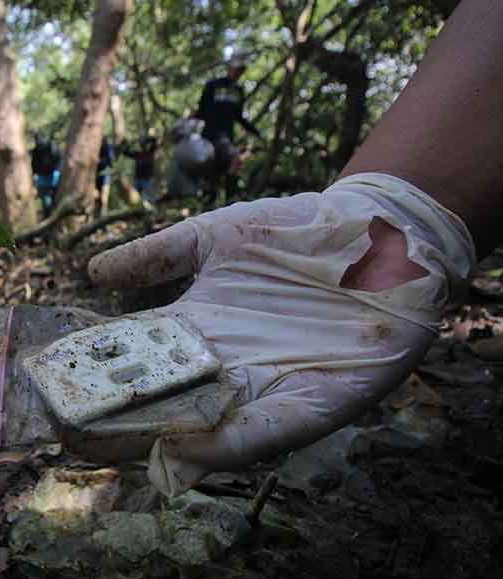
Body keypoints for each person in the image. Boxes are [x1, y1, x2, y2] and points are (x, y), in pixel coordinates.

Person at [87, 0, 499, 497]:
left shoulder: (235, 90)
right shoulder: (216, 87)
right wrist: (403, 208)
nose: (238, 72)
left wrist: (409, 214)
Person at [193, 55, 260, 204]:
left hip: (227, 137)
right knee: (233, 160)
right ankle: (225, 201)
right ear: (229, 67)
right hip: (210, 136)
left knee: (220, 171)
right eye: (235, 68)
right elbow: (201, 110)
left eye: (240, 70)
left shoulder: (238, 91)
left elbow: (239, 117)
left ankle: (226, 203)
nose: (237, 72)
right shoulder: (213, 85)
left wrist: (256, 132)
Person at [121, 129, 159, 202]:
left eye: (144, 142)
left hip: (147, 180)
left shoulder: (150, 152)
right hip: (138, 180)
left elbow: (155, 141)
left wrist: (147, 137)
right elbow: (125, 152)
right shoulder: (138, 154)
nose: (143, 144)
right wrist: (125, 143)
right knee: (137, 199)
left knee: (151, 199)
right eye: (142, 143)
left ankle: (154, 206)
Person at [31, 134, 61, 215]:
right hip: (54, 176)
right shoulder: (53, 146)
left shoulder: (36, 149)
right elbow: (59, 159)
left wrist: (34, 175)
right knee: (53, 198)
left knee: (46, 199)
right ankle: (53, 213)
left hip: (44, 177)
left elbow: (33, 165)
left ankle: (49, 213)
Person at [95, 136, 116, 215]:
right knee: (97, 194)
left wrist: (100, 161)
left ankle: (103, 214)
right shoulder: (95, 146)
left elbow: (111, 160)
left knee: (104, 195)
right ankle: (97, 213)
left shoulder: (108, 146)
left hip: (105, 173)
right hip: (96, 174)